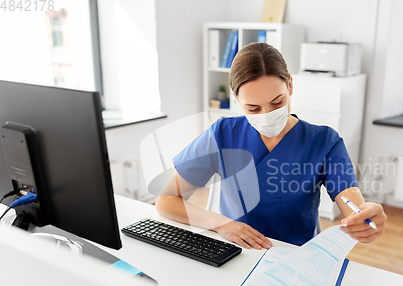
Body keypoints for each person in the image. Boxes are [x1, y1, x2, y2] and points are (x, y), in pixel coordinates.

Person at [155, 43, 386, 249]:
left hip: (295, 257)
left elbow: (350, 200)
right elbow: (166, 200)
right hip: (234, 252)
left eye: (277, 102)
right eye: (253, 108)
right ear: (237, 100)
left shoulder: (324, 142)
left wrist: (365, 219)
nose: (267, 115)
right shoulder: (223, 134)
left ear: (290, 86)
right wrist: (221, 224)